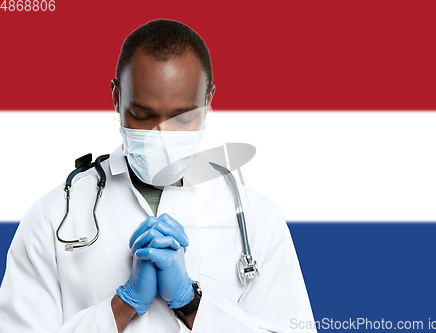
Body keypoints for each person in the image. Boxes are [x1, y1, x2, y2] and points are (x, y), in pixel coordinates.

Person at [0, 19, 316, 332]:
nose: (162, 135)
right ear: (116, 98)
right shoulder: (53, 218)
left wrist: (190, 303)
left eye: (181, 118)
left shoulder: (257, 218)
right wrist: (123, 305)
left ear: (208, 101)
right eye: (142, 115)